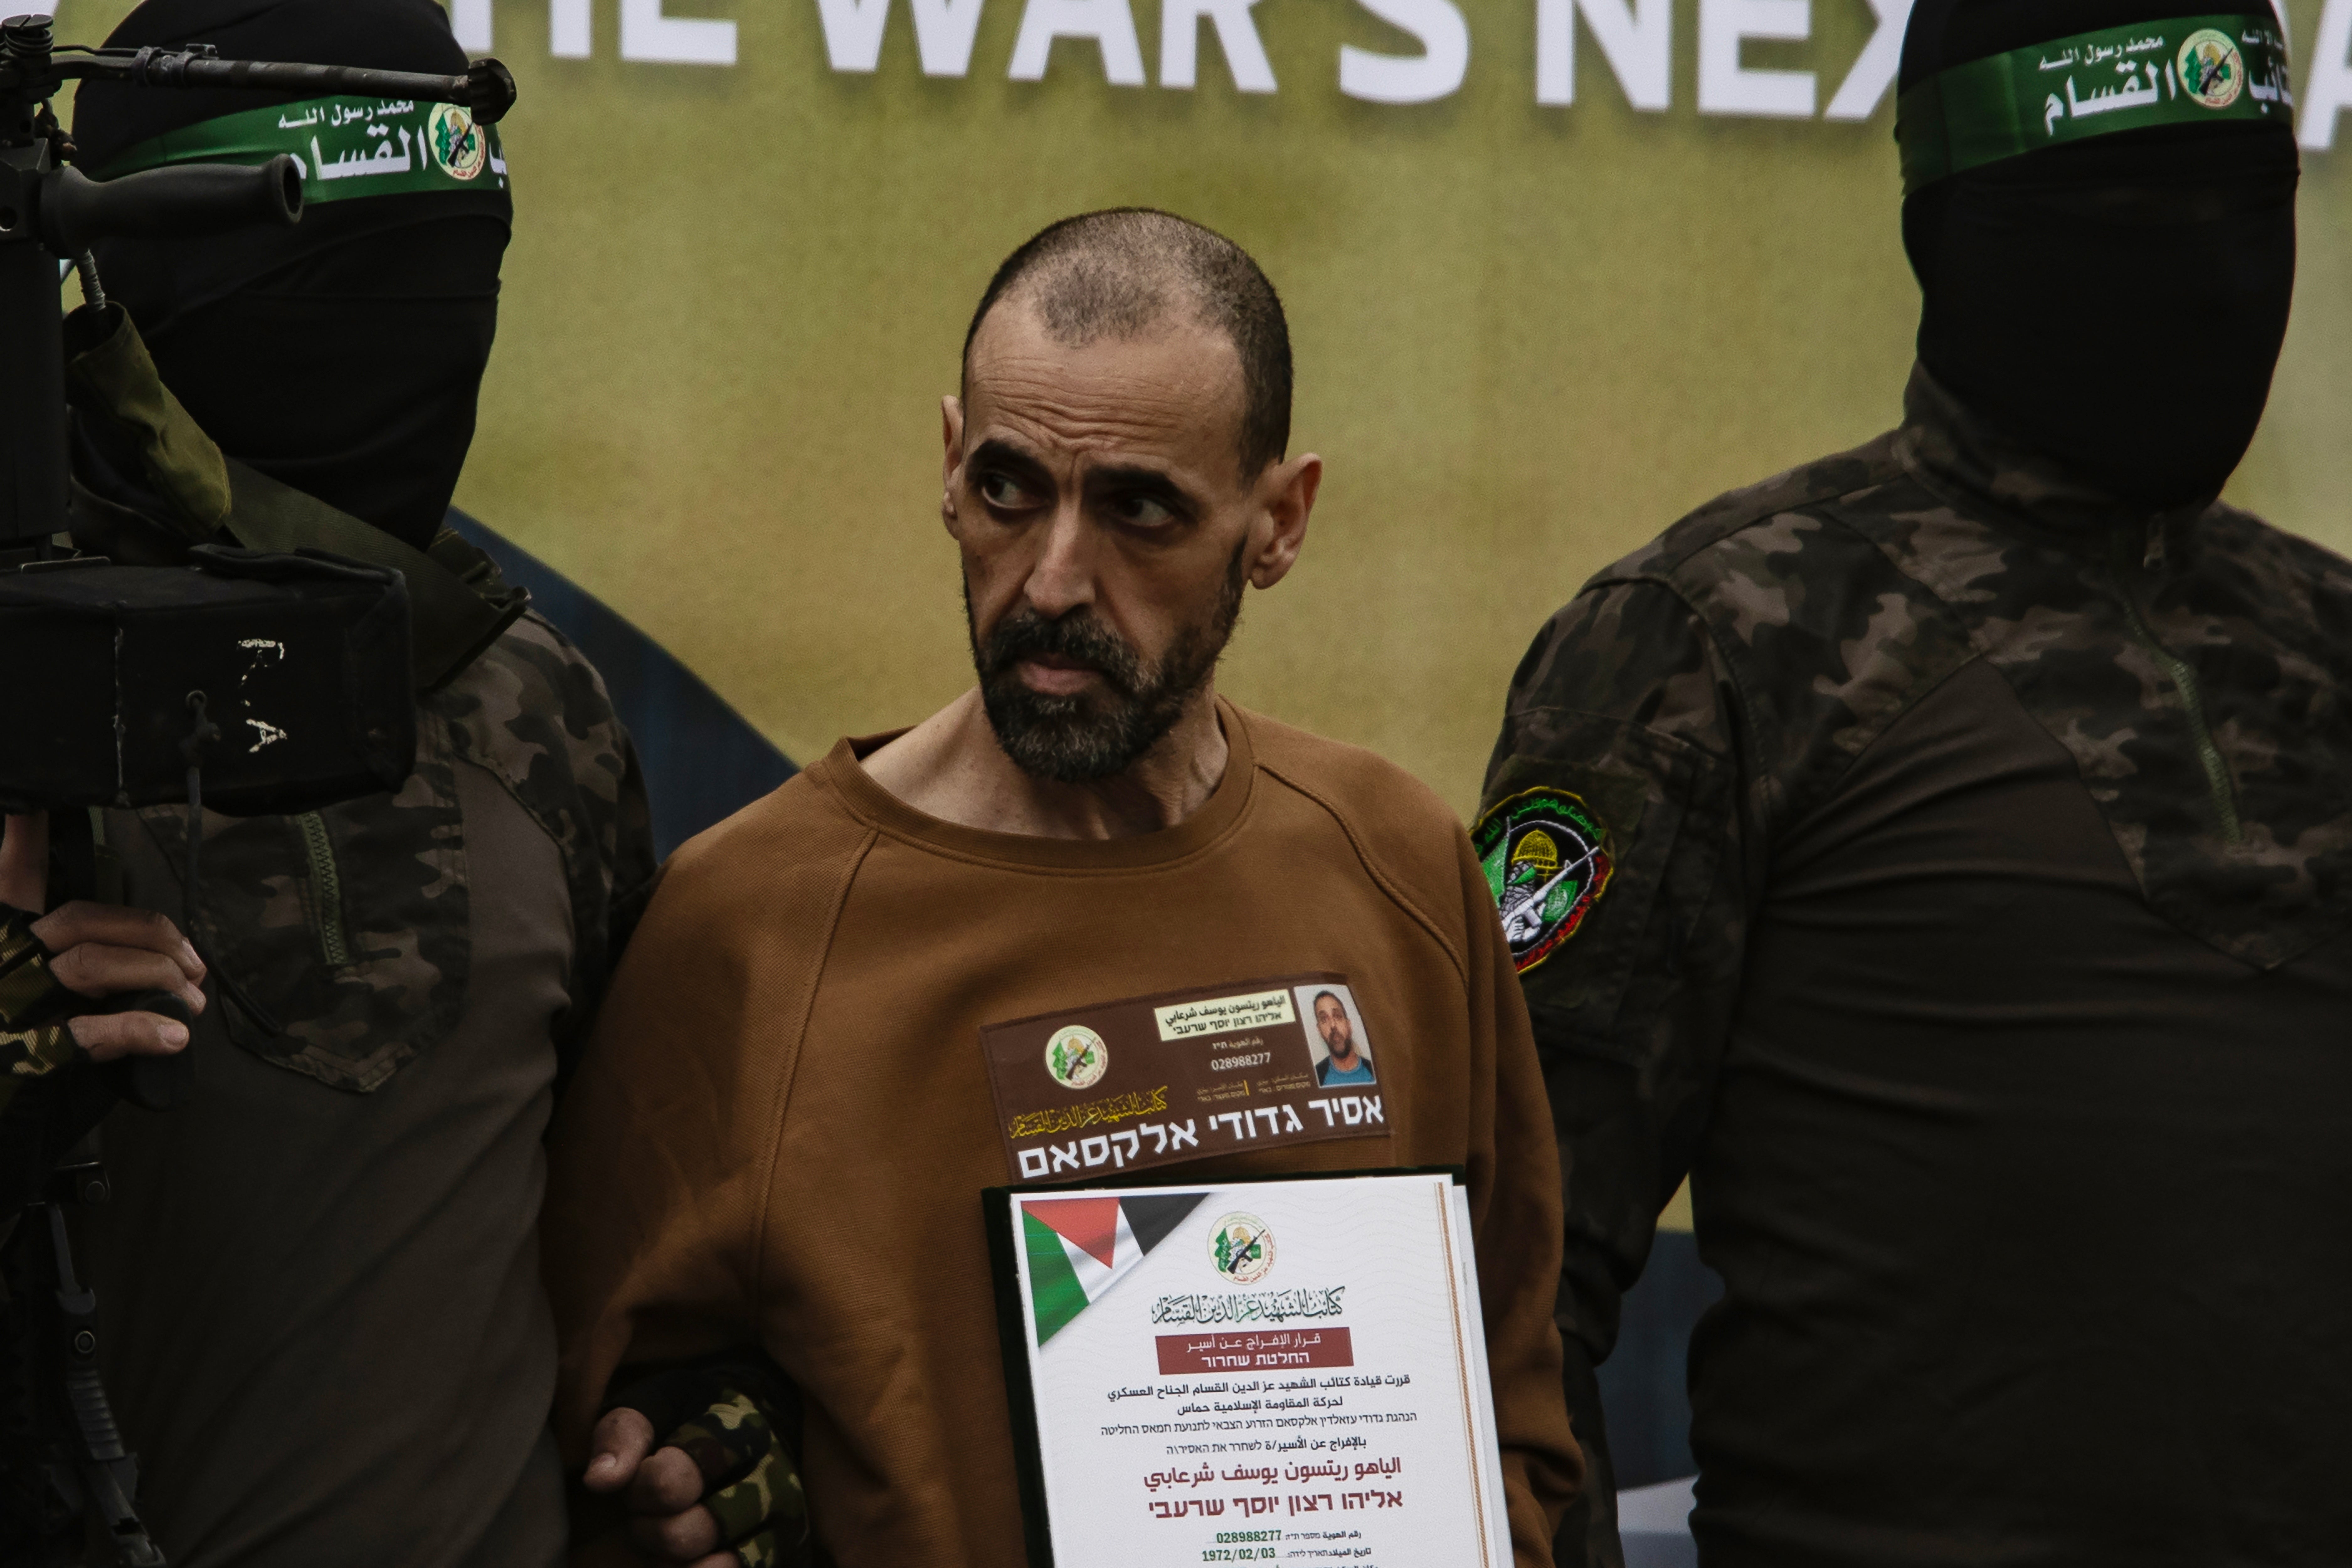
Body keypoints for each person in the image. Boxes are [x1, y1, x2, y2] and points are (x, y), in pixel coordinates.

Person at [544, 209, 1582, 1568]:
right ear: (945, 470)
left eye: (1138, 509)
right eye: (1007, 487)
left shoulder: (1393, 862)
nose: (1051, 578)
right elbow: (592, 1434)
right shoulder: (747, 924)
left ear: (1276, 523)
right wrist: (706, 1468)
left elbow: (1511, 1409)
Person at [1479, 2, 2346, 1564]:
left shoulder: (2335, 637)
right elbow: (1504, 1279)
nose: (2216, 278)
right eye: (2132, 221)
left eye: (2252, 209)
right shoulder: (1719, 635)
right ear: (1957, 230)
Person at [0, 1, 727, 1562]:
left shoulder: (541, 708)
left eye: (448, 277)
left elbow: (626, 1243)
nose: (410, 335)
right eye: (340, 284)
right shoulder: (18, 678)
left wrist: (707, 1440)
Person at [1311, 988, 1375, 1084]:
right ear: (1319, 1031)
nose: (1333, 1025)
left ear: (1349, 1025)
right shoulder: (1315, 1079)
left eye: (1337, 1016)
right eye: (1324, 1019)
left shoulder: (1376, 1072)